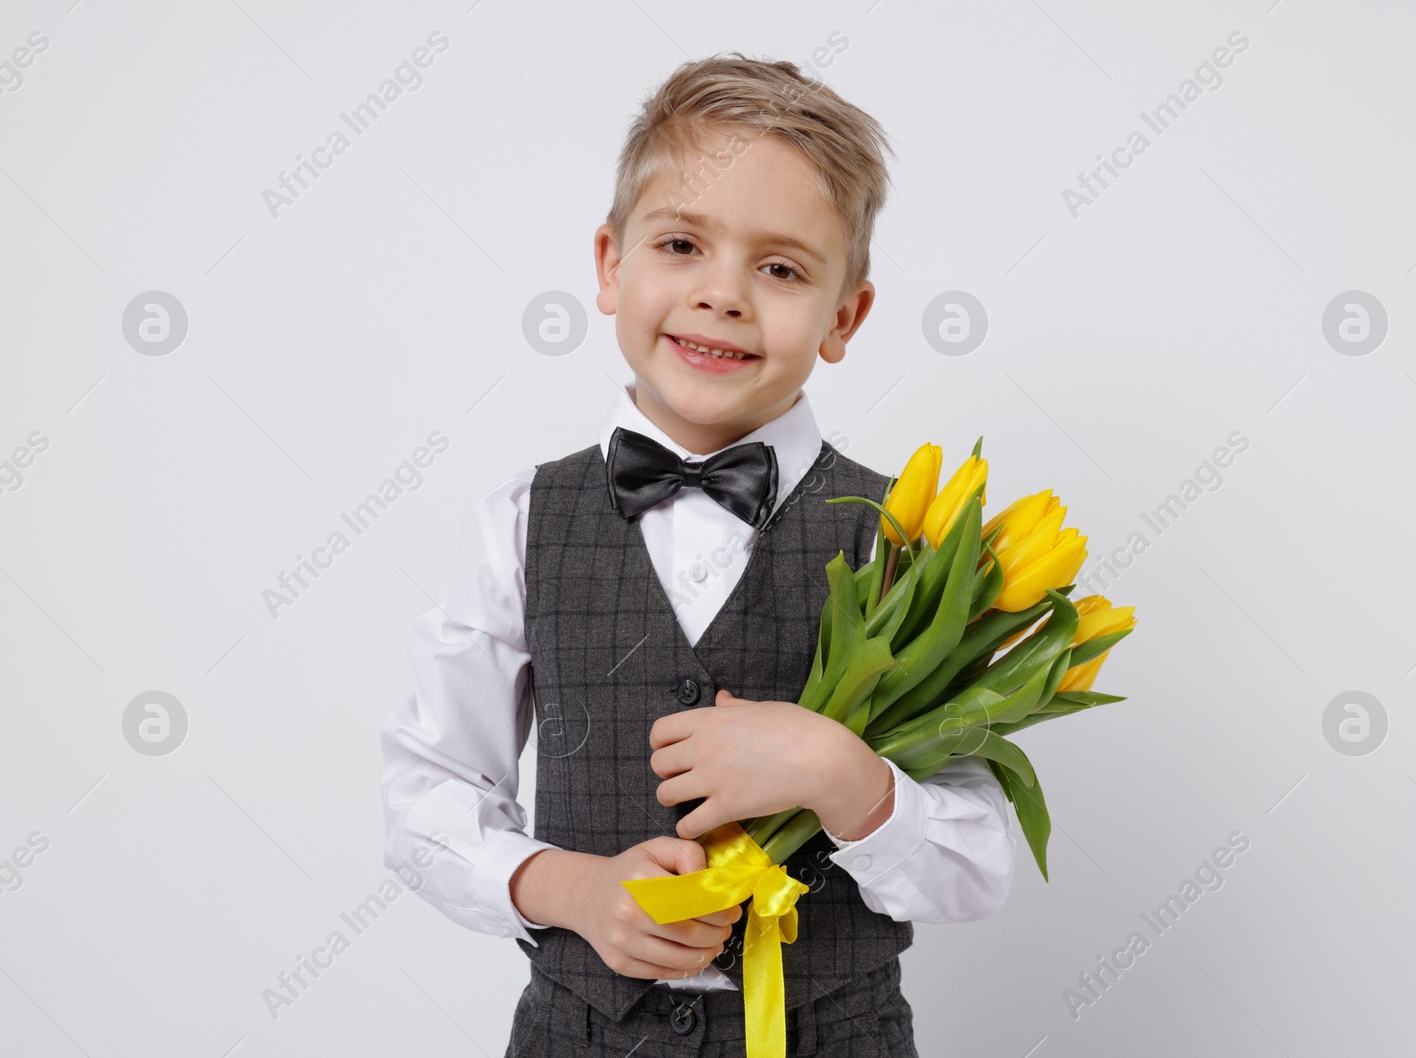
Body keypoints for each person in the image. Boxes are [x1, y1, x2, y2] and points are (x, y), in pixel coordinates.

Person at [379, 53, 1019, 1056]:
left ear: (844, 315)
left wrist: (838, 771)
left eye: (780, 267)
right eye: (682, 243)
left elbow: (976, 868)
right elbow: (428, 792)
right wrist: (573, 888)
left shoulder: (911, 540)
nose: (723, 294)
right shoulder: (518, 520)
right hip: (579, 1033)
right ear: (609, 264)